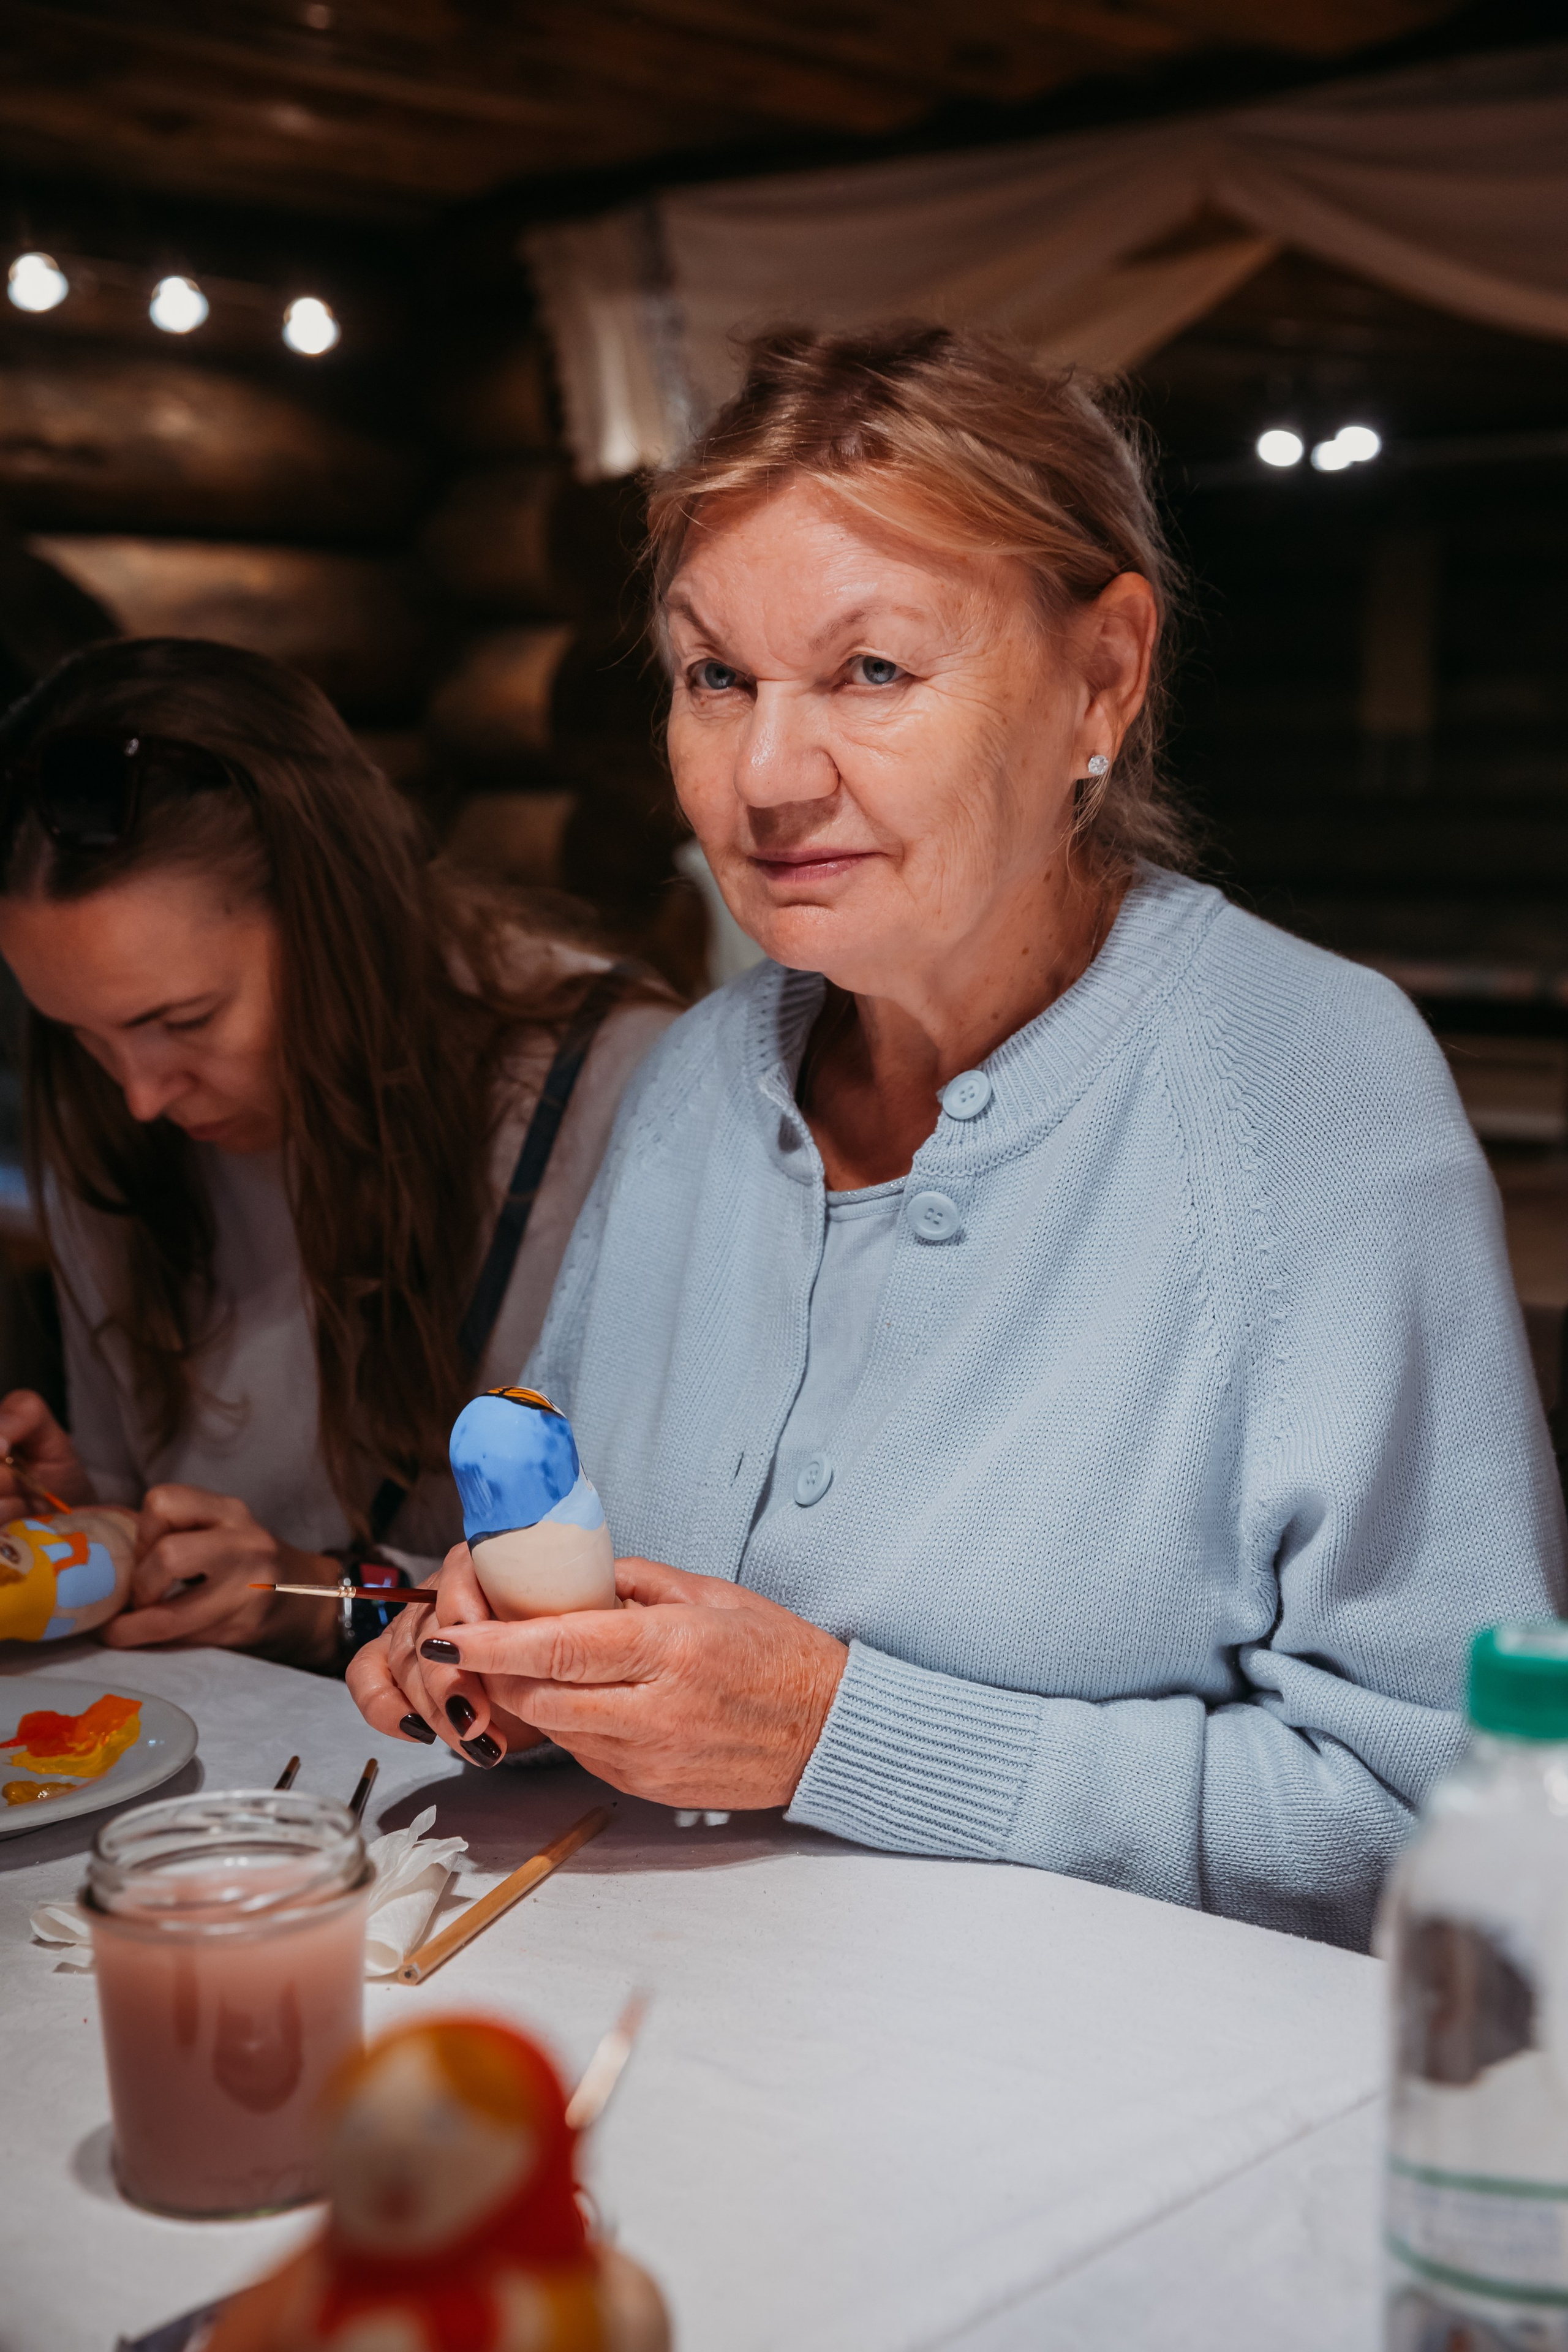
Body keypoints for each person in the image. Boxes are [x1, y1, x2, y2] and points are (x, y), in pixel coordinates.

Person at [351, 326, 1566, 1945]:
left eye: (871, 669)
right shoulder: (698, 1081)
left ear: (1103, 678)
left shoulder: (1309, 1086)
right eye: (717, 676)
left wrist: (839, 1736)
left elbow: (1442, 1814)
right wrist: (506, 1657)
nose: (766, 777)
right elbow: (569, 1550)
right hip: (667, 2025)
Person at [0, 638, 674, 1676]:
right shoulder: (109, 1119)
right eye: (85, 1037)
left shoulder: (613, 1089)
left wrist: (312, 1597)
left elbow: (659, 1591)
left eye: (186, 1018)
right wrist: (81, 1522)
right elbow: (160, 1531)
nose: (138, 1095)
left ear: (337, 923)